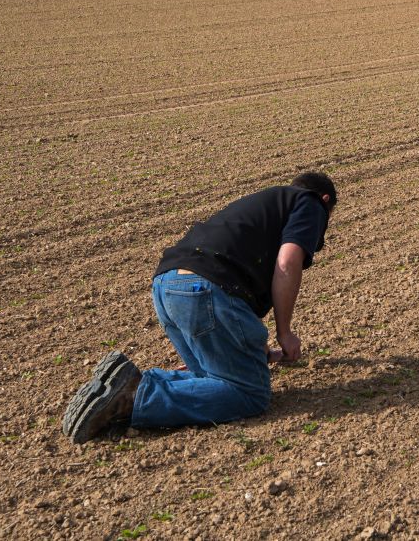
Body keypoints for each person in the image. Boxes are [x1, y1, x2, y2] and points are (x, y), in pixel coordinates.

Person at [62, 171, 337, 444]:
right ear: (325, 200)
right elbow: (287, 263)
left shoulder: (267, 207)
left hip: (167, 285)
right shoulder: (311, 204)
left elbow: (235, 289)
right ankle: (132, 398)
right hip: (205, 290)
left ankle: (127, 382)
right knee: (250, 393)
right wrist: (285, 332)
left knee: (210, 379)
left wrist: (256, 351)